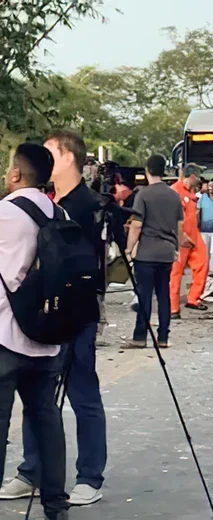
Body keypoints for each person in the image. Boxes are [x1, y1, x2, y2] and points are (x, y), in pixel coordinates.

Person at [2, 130, 109, 508]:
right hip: (45, 323)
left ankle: (88, 475)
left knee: (77, 394)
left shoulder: (82, 206)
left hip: (43, 322)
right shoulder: (54, 207)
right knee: (42, 406)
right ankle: (42, 486)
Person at [0, 144, 71, 520]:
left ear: (15, 174)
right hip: (46, 337)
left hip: (5, 335)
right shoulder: (59, 212)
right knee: (47, 421)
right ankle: (56, 507)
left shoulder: (4, 212)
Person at [125, 155, 183, 348]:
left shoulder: (143, 195)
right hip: (166, 253)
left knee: (144, 295)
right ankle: (164, 337)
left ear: (147, 170)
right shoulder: (174, 195)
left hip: (147, 253)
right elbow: (180, 226)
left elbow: (137, 225)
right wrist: (176, 248)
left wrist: (129, 248)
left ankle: (140, 336)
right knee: (163, 294)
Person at [170, 163, 209, 318]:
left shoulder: (190, 192)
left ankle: (193, 298)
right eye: (198, 177)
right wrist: (180, 236)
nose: (199, 180)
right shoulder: (175, 191)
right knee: (175, 273)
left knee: (203, 262)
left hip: (194, 234)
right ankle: (173, 308)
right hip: (180, 237)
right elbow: (173, 217)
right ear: (192, 176)